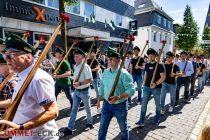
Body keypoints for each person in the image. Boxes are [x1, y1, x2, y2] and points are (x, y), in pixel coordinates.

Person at [0, 34, 58, 139]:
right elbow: (19, 101)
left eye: (12, 54)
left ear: (28, 57)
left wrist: (21, 128)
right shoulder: (21, 75)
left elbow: (53, 111)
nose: (6, 59)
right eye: (5, 55)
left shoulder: (38, 79)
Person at [97, 47, 135, 140]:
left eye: (111, 59)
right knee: (102, 128)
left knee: (123, 129)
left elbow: (131, 90)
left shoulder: (124, 74)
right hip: (106, 104)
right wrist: (98, 100)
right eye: (108, 58)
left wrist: (118, 97)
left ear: (118, 60)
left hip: (120, 106)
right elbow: (102, 87)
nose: (109, 61)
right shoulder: (105, 72)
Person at [62, 48, 93, 136]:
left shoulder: (86, 67)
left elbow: (90, 80)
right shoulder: (75, 66)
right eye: (74, 56)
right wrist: (73, 80)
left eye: (77, 56)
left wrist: (80, 83)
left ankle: (89, 123)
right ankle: (70, 128)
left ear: (82, 57)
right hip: (76, 92)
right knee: (74, 110)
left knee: (88, 108)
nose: (75, 58)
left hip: (84, 92)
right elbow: (75, 77)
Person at [136, 48, 165, 127]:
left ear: (155, 56)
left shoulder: (159, 65)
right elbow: (145, 75)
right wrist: (144, 84)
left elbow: (163, 77)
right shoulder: (147, 65)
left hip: (156, 88)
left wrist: (155, 83)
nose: (150, 57)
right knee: (143, 104)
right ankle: (141, 120)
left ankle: (157, 118)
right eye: (149, 56)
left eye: (152, 55)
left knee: (157, 104)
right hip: (146, 88)